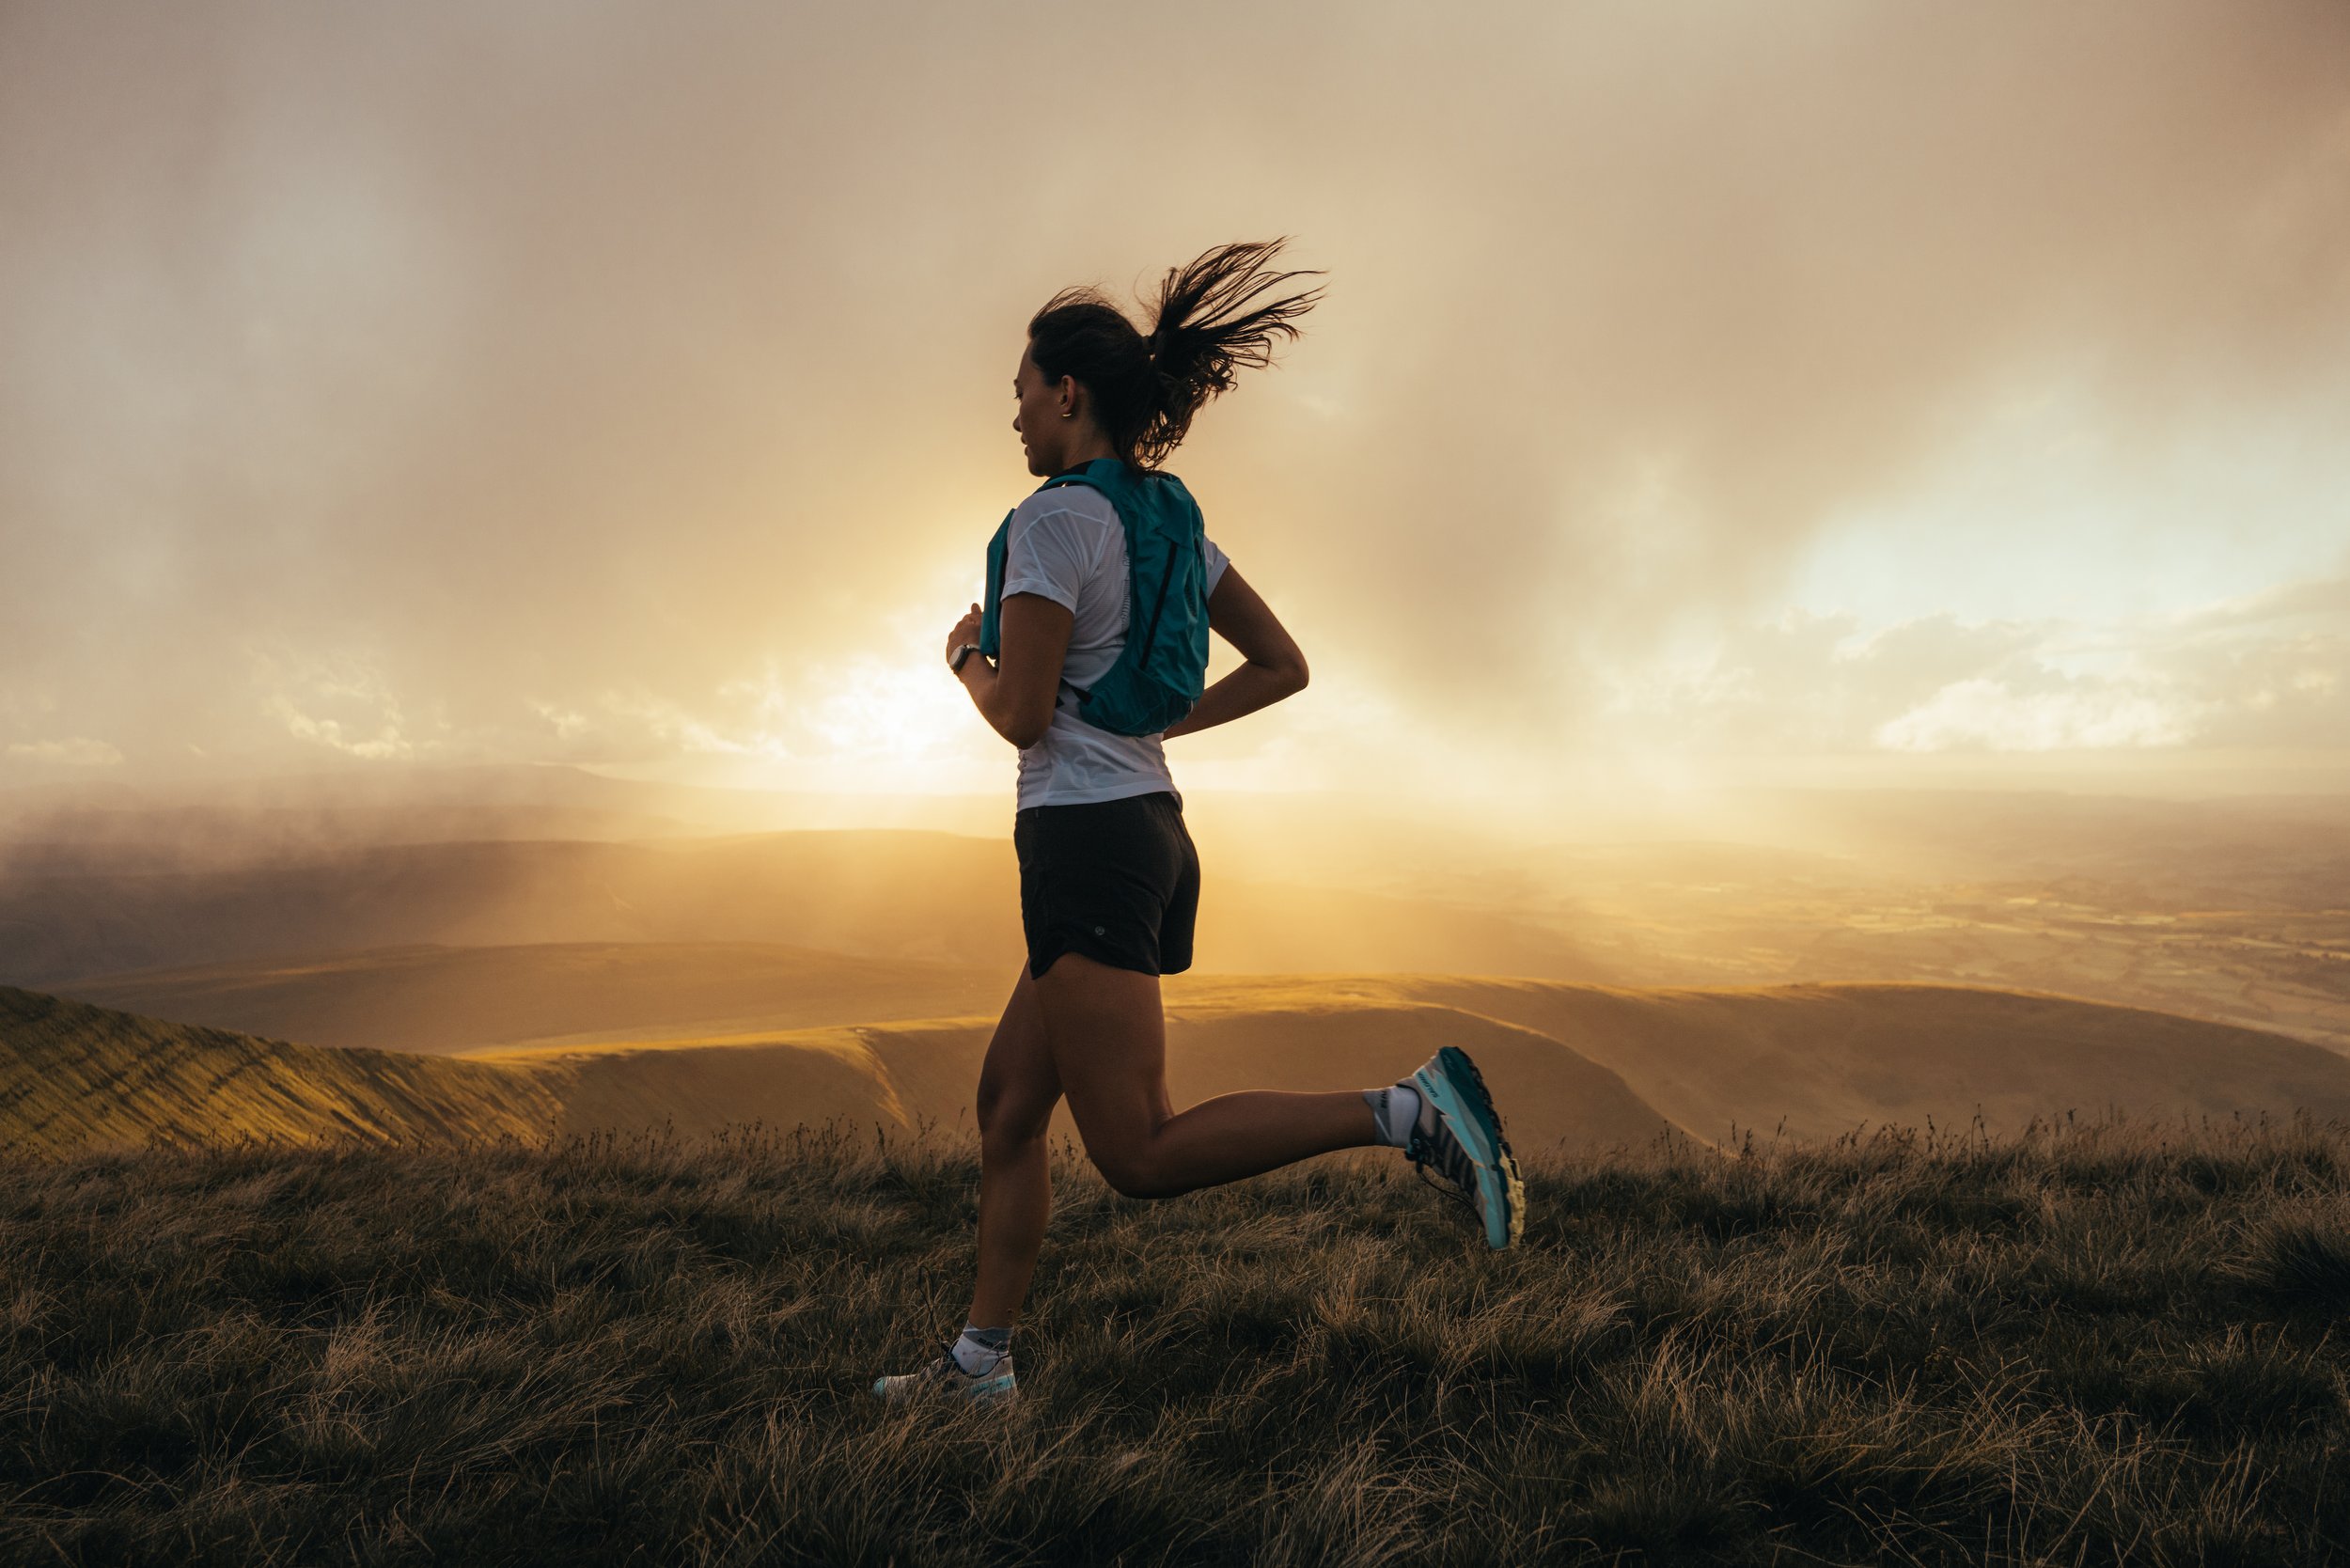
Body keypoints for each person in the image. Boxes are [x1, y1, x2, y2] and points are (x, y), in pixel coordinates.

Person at [874, 240, 1523, 1407]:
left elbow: (1022, 719)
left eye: (1020, 394)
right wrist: (1161, 728)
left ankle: (1410, 1112)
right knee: (1007, 1112)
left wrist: (965, 660)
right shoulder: (1175, 523)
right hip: (1148, 831)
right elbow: (1283, 666)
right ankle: (979, 1366)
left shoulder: (1052, 522)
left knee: (1138, 1154)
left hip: (1083, 841)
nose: (1013, 418)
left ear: (1066, 394)